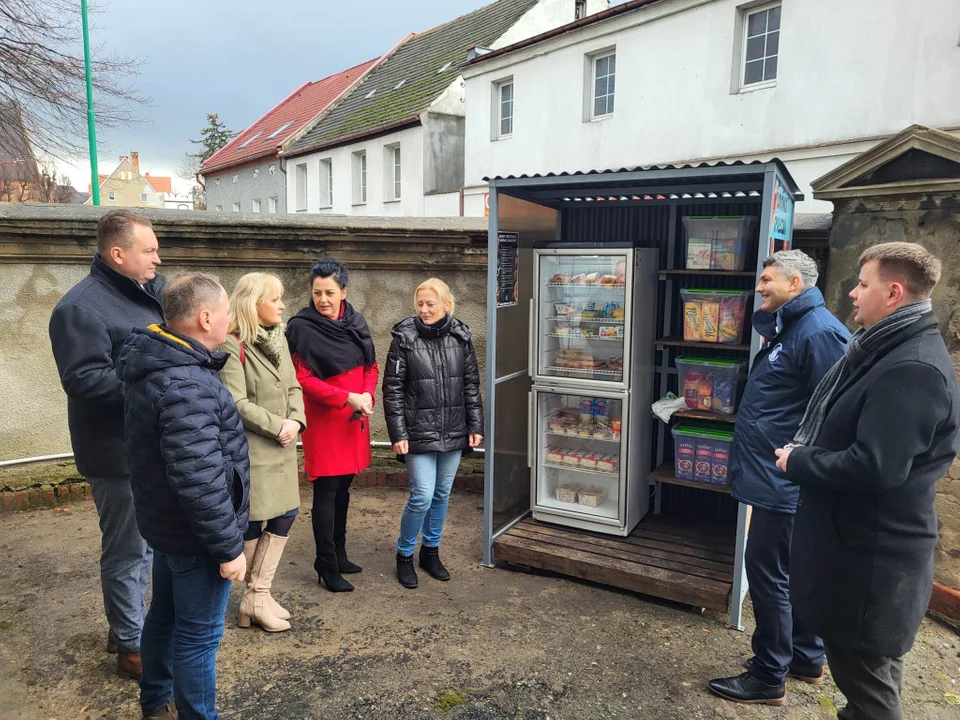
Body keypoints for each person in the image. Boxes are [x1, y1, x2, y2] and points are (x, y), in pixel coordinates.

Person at [775, 242, 959, 720]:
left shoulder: (912, 368)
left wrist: (799, 462)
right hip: (864, 557)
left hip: (871, 567)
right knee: (870, 686)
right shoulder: (887, 349)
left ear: (894, 292)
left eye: (863, 284)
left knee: (870, 692)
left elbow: (875, 466)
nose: (853, 294)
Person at [709, 250, 849, 706]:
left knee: (768, 572)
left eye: (767, 279)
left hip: (786, 481)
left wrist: (801, 465)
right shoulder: (791, 326)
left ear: (794, 283)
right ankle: (806, 657)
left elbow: (835, 414)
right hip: (775, 474)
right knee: (788, 572)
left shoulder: (820, 331)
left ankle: (768, 676)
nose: (760, 286)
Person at [116, 273, 249, 720]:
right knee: (198, 636)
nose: (230, 320)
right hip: (195, 536)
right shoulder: (186, 383)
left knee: (165, 618)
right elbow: (199, 478)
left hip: (167, 526)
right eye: (227, 312)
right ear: (206, 317)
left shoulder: (157, 363)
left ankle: (156, 702)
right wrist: (229, 548)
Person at [48, 209, 164, 680]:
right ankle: (131, 648)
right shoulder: (79, 308)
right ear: (118, 254)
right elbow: (83, 380)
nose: (159, 256)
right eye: (150, 249)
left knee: (149, 546)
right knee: (128, 551)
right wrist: (157, 382)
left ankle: (128, 626)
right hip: (116, 454)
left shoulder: (147, 291)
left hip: (149, 445)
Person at [382, 278, 483, 589]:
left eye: (430, 304)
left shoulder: (461, 337)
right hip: (416, 433)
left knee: (441, 494)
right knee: (422, 496)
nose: (424, 310)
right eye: (420, 304)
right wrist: (398, 432)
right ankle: (404, 554)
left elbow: (470, 384)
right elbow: (393, 389)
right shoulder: (404, 338)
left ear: (446, 306)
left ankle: (430, 552)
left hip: (453, 429)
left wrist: (476, 425)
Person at [219, 273, 305, 633]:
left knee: (287, 512)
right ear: (253, 303)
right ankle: (254, 600)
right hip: (253, 449)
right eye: (274, 299)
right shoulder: (230, 344)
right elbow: (234, 402)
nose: (282, 305)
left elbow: (294, 385)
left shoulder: (279, 337)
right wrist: (277, 425)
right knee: (254, 521)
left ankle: (257, 596)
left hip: (283, 444)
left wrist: (297, 422)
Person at [286, 257, 377, 593]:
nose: (322, 299)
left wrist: (366, 396)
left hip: (354, 418)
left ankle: (339, 554)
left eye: (329, 292)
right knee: (326, 492)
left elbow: (371, 365)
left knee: (344, 490)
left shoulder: (356, 320)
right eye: (316, 293)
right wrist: (346, 397)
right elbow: (302, 378)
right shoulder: (301, 326)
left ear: (343, 291)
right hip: (325, 419)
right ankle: (325, 562)